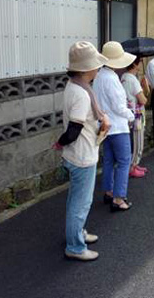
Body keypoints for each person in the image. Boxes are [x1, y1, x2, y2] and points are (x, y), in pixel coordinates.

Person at [53, 41, 109, 262]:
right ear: (87, 69)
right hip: (82, 156)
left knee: (75, 201)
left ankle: (76, 234)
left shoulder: (73, 86)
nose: (98, 69)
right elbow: (74, 128)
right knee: (80, 203)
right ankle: (75, 246)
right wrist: (60, 142)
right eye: (96, 65)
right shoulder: (82, 94)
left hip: (76, 154)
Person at [93, 41, 136, 212]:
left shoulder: (99, 76)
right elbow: (119, 107)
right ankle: (118, 198)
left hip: (105, 126)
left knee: (109, 161)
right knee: (124, 161)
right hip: (118, 126)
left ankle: (109, 192)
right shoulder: (112, 79)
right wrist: (131, 115)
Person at [122, 57, 149, 177]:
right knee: (137, 142)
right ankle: (132, 167)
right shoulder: (132, 79)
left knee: (132, 141)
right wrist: (145, 87)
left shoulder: (123, 77)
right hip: (136, 115)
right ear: (134, 64)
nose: (141, 64)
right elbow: (143, 100)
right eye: (140, 62)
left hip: (128, 113)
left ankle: (134, 165)